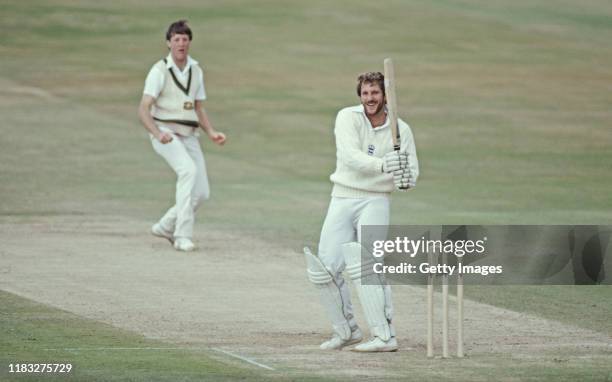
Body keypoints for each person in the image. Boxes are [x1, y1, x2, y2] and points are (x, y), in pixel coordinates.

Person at [304, 72, 419, 352]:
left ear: (385, 96)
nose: (370, 99)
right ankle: (347, 331)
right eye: (366, 94)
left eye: (375, 93)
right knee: (325, 269)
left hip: (376, 200)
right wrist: (383, 165)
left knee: (369, 267)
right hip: (343, 196)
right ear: (360, 96)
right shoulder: (347, 117)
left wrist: (404, 178)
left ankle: (384, 336)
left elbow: (412, 173)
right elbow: (349, 156)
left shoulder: (401, 129)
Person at [138, 20, 226, 252]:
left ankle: (166, 225)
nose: (181, 43)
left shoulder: (196, 70)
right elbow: (143, 109)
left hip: (189, 134)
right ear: (168, 43)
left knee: (202, 192)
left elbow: (198, 108)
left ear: (189, 43)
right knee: (187, 171)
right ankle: (181, 235)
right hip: (165, 132)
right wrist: (157, 134)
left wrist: (212, 132)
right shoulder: (158, 71)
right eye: (176, 39)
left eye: (185, 39)